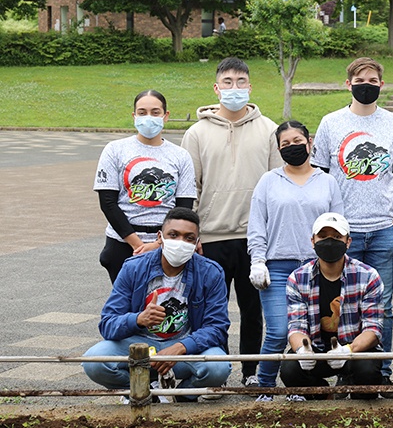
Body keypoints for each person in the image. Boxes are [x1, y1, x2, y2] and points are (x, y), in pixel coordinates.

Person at [311, 56, 393, 391]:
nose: (366, 85)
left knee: (382, 304)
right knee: (342, 302)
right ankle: (344, 367)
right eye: (360, 79)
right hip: (343, 231)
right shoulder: (330, 122)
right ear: (348, 84)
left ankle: (379, 372)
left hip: (384, 228)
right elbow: (320, 175)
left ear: (381, 85)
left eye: (373, 80)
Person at [181, 57, 282, 389]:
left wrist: (268, 235)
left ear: (250, 87)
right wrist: (192, 233)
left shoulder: (268, 129)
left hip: (255, 238)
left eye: (241, 82)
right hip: (211, 237)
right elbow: (188, 188)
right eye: (227, 82)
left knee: (254, 311)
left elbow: (276, 185)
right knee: (213, 311)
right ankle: (216, 375)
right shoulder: (197, 133)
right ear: (216, 87)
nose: (234, 88)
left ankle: (251, 373)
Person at [82, 207, 231, 401]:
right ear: (160, 237)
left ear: (197, 243)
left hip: (183, 350)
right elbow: (108, 324)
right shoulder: (133, 267)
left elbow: (217, 327)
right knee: (94, 361)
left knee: (218, 368)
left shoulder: (211, 272)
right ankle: (141, 391)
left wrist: (181, 346)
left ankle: (185, 395)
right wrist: (138, 319)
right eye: (173, 235)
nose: (180, 243)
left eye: (188, 238)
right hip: (139, 347)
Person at [247, 120, 345, 400]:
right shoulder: (268, 181)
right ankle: (265, 384)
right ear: (278, 149)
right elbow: (257, 225)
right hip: (278, 267)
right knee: (279, 331)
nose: (292, 147)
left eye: (297, 141)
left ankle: (298, 384)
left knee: (311, 332)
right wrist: (258, 260)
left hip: (316, 268)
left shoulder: (327, 182)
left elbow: (338, 225)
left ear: (309, 142)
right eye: (285, 144)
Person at [94, 90, 196, 284]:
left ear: (166, 116)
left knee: (163, 305)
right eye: (142, 112)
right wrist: (138, 245)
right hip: (122, 243)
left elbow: (183, 207)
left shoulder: (181, 156)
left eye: (155, 112)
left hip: (169, 244)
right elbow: (108, 203)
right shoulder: (115, 150)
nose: (148, 117)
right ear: (134, 116)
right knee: (127, 307)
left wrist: (159, 243)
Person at [282, 213, 385, 400]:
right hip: (316, 350)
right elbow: (296, 326)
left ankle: (354, 387)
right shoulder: (297, 278)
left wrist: (348, 351)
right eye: (323, 237)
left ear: (348, 242)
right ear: (312, 241)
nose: (330, 242)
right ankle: (323, 392)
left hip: (354, 349)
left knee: (368, 372)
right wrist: (302, 350)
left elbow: (373, 328)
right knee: (289, 370)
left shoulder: (368, 276)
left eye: (337, 237)